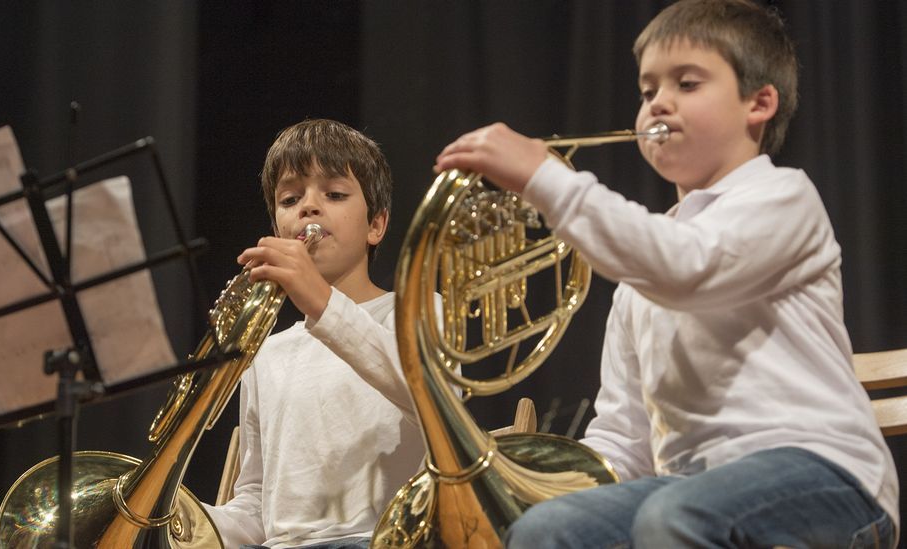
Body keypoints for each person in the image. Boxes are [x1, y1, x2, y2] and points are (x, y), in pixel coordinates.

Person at [434, 0, 899, 547]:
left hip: (829, 477)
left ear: (759, 103)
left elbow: (687, 264)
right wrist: (547, 487)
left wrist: (542, 176)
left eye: (687, 83)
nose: (659, 104)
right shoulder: (640, 271)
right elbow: (624, 435)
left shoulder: (783, 197)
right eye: (648, 90)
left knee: (676, 516)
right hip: (691, 492)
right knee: (547, 531)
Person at [203, 119, 424, 549]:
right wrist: (177, 520)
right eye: (290, 199)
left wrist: (321, 301)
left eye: (335, 194)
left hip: (377, 539)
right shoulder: (265, 353)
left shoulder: (415, 311)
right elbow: (254, 506)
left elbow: (427, 398)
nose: (309, 207)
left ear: (376, 225)